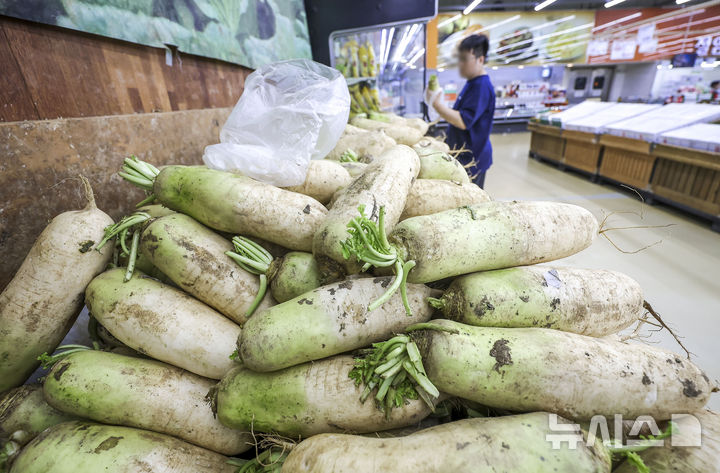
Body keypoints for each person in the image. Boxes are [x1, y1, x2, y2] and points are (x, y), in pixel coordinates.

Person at [426, 34, 495, 188]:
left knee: (469, 199)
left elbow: (463, 121)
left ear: (480, 59)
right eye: (459, 59)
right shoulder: (472, 83)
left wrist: (437, 105)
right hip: (464, 154)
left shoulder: (481, 86)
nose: (460, 64)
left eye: (464, 59)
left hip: (471, 158)